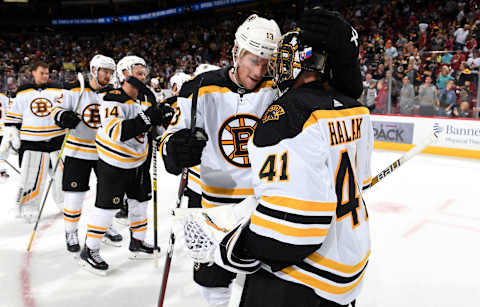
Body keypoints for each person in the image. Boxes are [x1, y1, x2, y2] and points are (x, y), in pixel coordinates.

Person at [163, 8, 365, 307]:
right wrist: (174, 148)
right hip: (213, 206)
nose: (259, 72)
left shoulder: (281, 88)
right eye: (253, 60)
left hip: (265, 207)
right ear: (236, 52)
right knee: (212, 279)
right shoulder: (198, 88)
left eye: (267, 63)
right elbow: (170, 138)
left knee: (262, 281)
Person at [79, 56, 172, 273]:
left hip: (138, 162)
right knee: (107, 207)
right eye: (137, 73)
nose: (143, 77)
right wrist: (150, 118)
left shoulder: (146, 99)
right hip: (114, 163)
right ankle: (89, 250)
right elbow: (118, 132)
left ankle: (137, 243)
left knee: (140, 203)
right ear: (124, 74)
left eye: (143, 73)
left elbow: (153, 130)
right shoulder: (112, 98)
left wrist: (162, 121)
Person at [51, 55, 122, 253]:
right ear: (94, 70)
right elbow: (55, 109)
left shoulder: (113, 94)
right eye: (104, 71)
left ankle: (105, 225)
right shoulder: (75, 89)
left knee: (107, 193)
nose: (107, 76)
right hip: (78, 151)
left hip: (105, 152)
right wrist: (63, 116)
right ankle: (71, 231)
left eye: (110, 72)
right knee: (74, 196)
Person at [0, 61, 66, 223]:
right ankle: (28, 205)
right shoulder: (23, 92)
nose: (45, 76)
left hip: (57, 139)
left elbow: (65, 109)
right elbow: (14, 116)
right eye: (42, 73)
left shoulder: (57, 88)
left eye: (47, 73)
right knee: (31, 176)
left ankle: (64, 202)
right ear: (33, 73)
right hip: (32, 141)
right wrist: (13, 131)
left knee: (62, 174)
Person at [0, 92, 11, 181]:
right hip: (3, 129)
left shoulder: (3, 97)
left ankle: (1, 170)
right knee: (3, 151)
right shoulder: (3, 97)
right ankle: (1, 170)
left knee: (3, 151)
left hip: (3, 130)